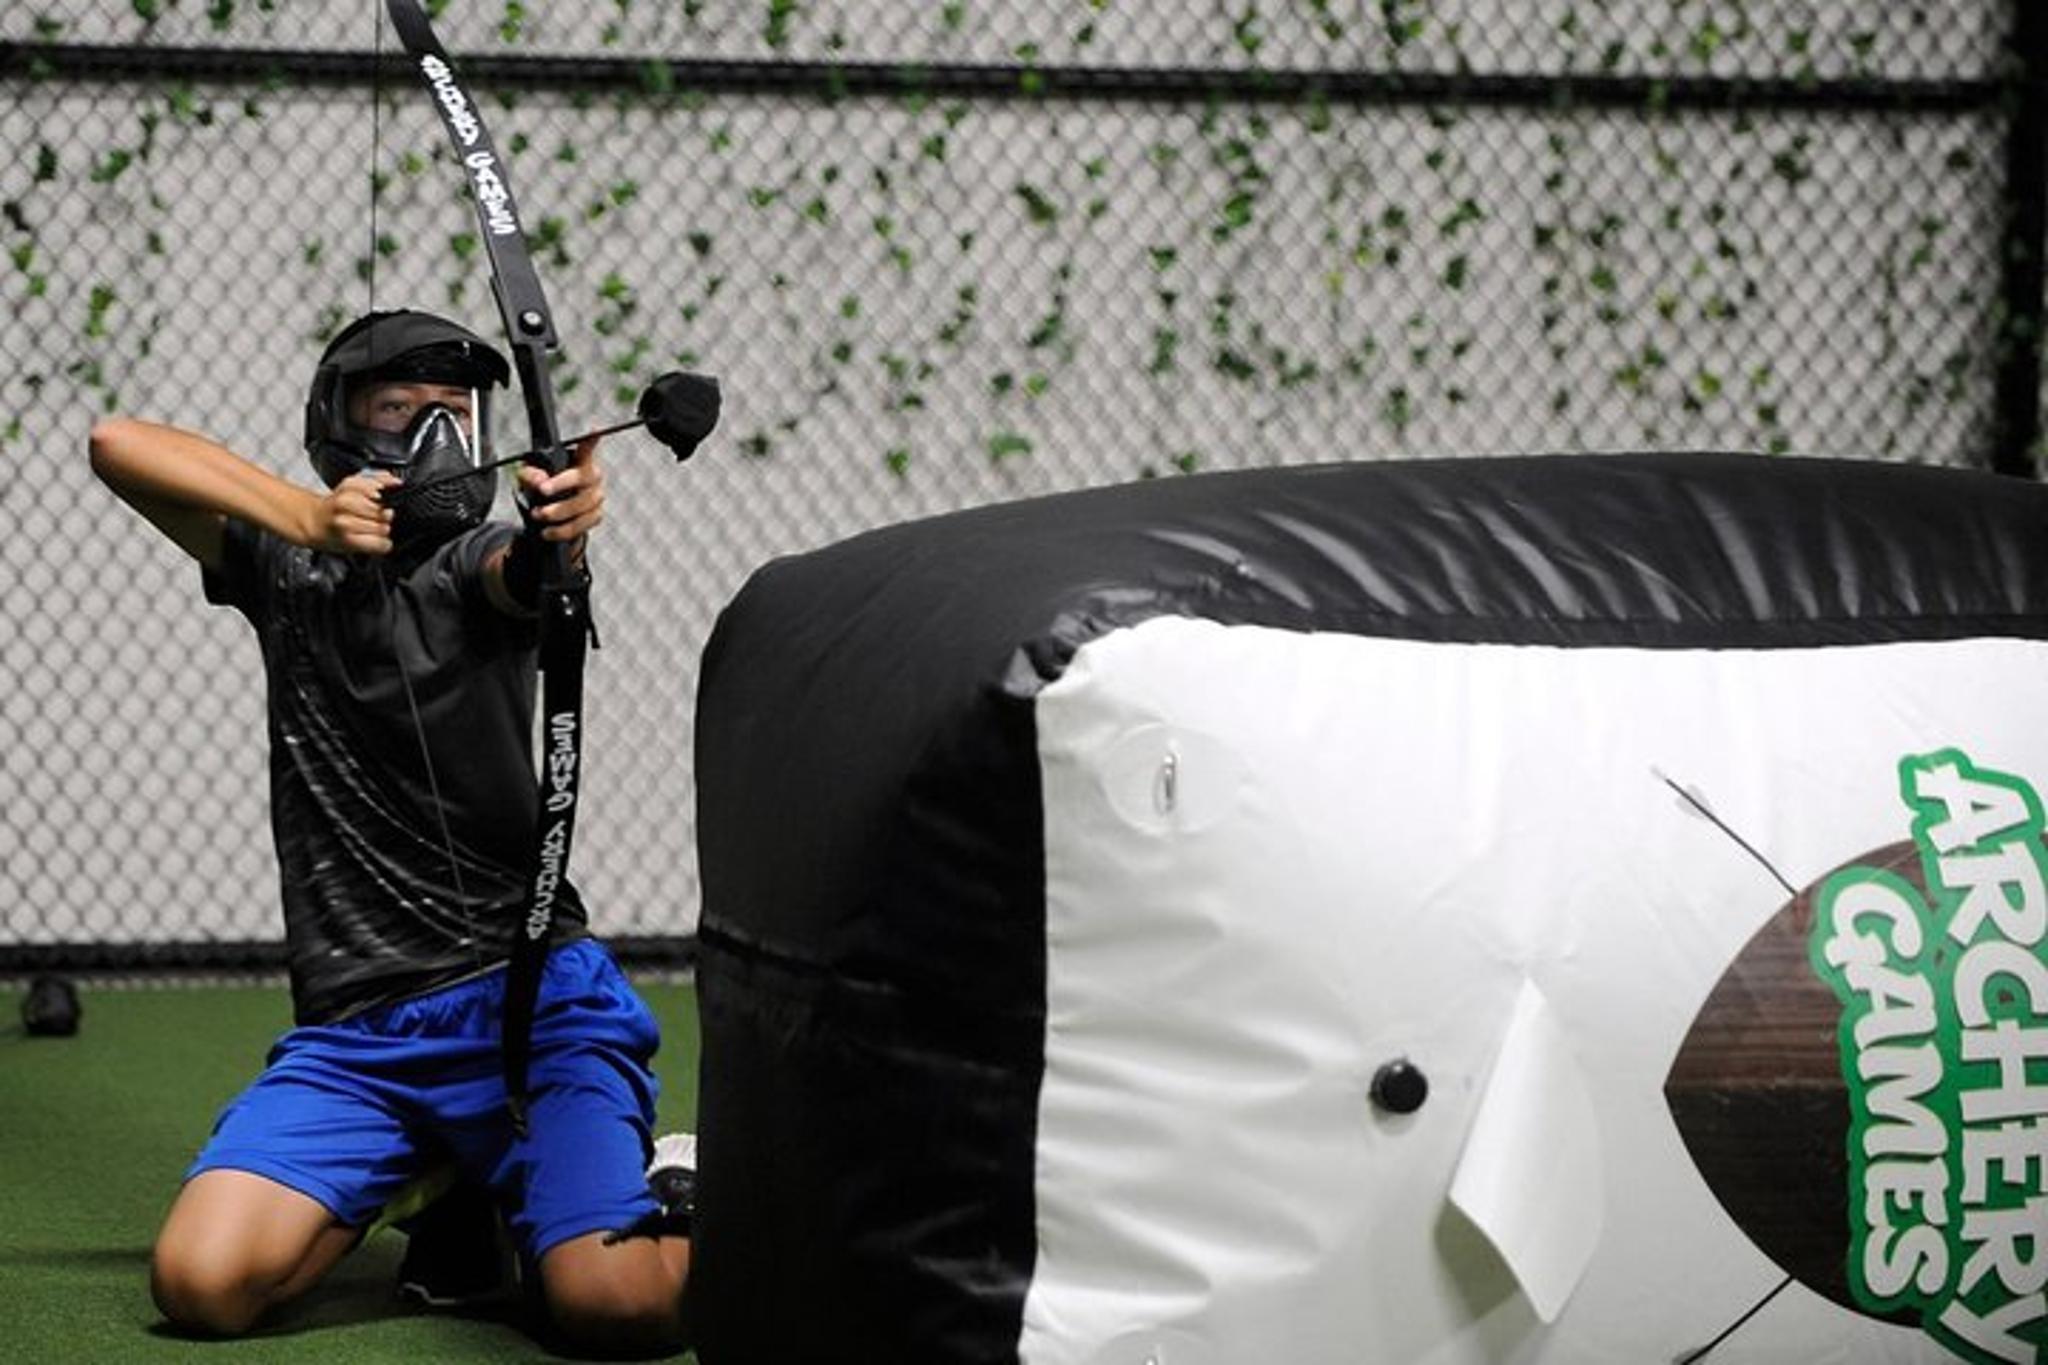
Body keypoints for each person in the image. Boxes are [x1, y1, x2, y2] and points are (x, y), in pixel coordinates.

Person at [88, 309, 693, 1355]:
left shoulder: (475, 563)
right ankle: (447, 1173)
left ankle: (682, 1180)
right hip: (358, 1039)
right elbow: (117, 444)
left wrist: (562, 533)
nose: (436, 439)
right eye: (399, 410)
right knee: (201, 1286)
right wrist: (303, 518)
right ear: (339, 425)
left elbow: (523, 573)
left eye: (455, 413)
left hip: (531, 1014)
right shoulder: (285, 568)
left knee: (616, 1307)